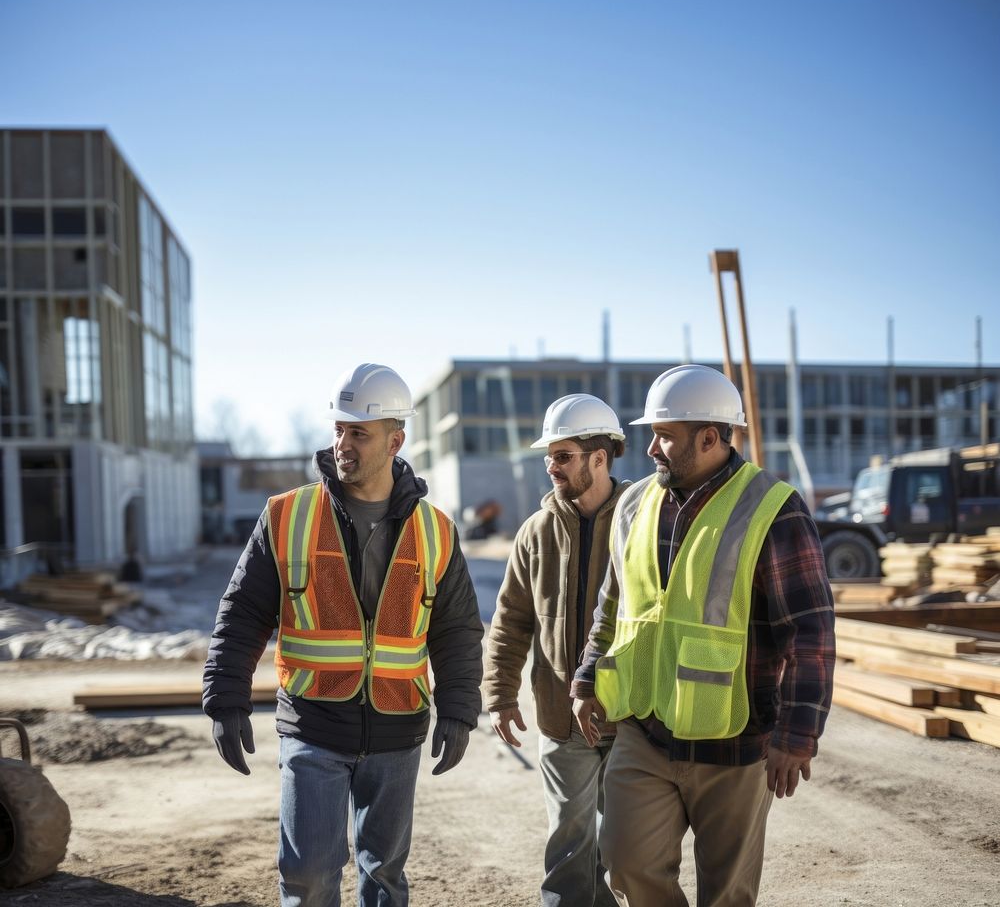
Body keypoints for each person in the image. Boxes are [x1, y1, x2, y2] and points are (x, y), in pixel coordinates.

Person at [202, 363, 484, 907]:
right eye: (339, 429)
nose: (343, 444)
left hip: (398, 731)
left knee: (384, 880)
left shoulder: (436, 530)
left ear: (395, 440)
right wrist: (226, 697)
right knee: (307, 876)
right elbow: (242, 613)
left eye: (359, 432)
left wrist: (457, 710)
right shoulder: (287, 515)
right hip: (313, 725)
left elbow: (455, 631)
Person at [571, 364, 835, 907]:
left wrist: (797, 734)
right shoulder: (634, 505)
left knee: (727, 895)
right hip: (645, 729)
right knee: (625, 863)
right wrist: (586, 677)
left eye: (665, 437)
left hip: (735, 742)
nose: (651, 450)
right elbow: (613, 603)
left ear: (710, 437)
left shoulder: (774, 509)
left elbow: (810, 631)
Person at [484, 394, 628, 907]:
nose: (551, 465)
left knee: (628, 851)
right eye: (549, 455)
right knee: (569, 850)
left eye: (562, 455)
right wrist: (499, 696)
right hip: (560, 719)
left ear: (600, 457)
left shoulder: (644, 523)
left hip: (632, 718)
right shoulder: (535, 533)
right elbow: (510, 622)